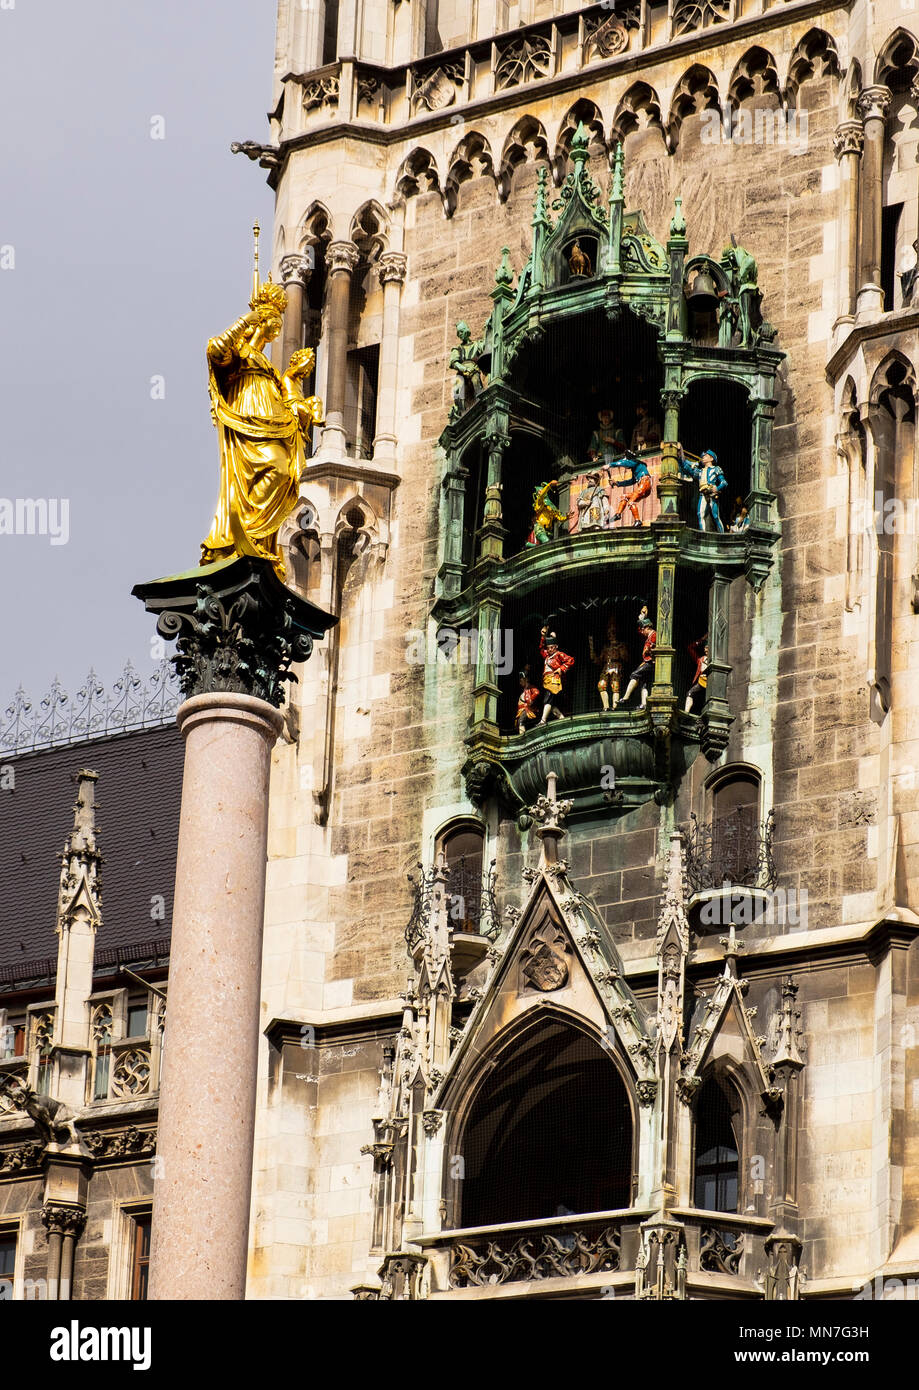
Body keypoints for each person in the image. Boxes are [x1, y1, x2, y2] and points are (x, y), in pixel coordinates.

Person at [201, 278, 308, 582]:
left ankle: (257, 536)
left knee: (284, 472)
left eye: (276, 330)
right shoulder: (239, 355)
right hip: (246, 420)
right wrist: (245, 319)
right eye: (270, 327)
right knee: (274, 467)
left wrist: (299, 398)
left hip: (270, 424)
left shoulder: (272, 370)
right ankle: (244, 531)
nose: (273, 334)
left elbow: (288, 404)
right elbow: (216, 349)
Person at [589, 615, 630, 710]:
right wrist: (592, 652)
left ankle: (615, 706)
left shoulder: (621, 645)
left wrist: (620, 650)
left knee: (615, 686)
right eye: (609, 633)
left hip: (616, 666)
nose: (610, 635)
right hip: (606, 667)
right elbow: (599, 661)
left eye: (612, 633)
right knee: (601, 685)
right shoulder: (605, 647)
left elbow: (626, 658)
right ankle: (606, 706)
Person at [621, 606, 657, 709]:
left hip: (651, 662)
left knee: (635, 674)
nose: (641, 632)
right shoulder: (649, 636)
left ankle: (626, 697)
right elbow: (639, 629)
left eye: (642, 630)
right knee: (643, 683)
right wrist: (642, 617)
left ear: (647, 628)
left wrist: (649, 650)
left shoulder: (654, 635)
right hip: (648, 661)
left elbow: (656, 649)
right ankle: (644, 704)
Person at [538, 628, 575, 724]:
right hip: (546, 680)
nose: (549, 649)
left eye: (552, 647)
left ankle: (543, 720)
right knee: (551, 704)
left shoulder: (559, 654)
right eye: (548, 647)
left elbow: (570, 660)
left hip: (553, 680)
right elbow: (541, 648)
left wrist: (561, 669)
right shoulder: (547, 656)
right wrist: (543, 636)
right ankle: (562, 719)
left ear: (556, 647)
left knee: (548, 699)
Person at [611, 451, 653, 527]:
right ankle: (618, 514)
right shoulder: (635, 467)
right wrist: (618, 483)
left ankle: (638, 521)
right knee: (624, 496)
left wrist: (610, 465)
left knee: (631, 501)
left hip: (644, 483)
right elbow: (632, 481)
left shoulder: (634, 462)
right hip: (643, 486)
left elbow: (624, 463)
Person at [527, 481, 566, 546]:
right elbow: (541, 495)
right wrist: (549, 484)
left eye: (541, 491)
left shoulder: (551, 507)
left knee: (548, 545)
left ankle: (531, 545)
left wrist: (567, 517)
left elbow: (560, 518)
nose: (540, 493)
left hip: (548, 531)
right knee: (547, 542)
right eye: (539, 492)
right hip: (540, 528)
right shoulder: (540, 503)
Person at [685, 636, 709, 713]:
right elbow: (690, 648)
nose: (705, 650)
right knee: (690, 693)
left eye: (707, 648)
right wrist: (702, 639)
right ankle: (686, 712)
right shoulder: (701, 660)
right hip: (701, 682)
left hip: (710, 682)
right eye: (705, 648)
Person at [516, 670, 541, 734]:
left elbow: (536, 692)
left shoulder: (530, 688)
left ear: (526, 680)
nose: (520, 683)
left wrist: (531, 700)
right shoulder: (524, 689)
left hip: (528, 710)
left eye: (521, 681)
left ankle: (522, 736)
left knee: (521, 721)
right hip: (522, 710)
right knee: (520, 721)